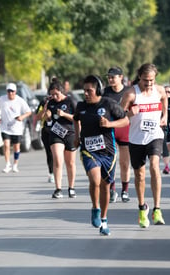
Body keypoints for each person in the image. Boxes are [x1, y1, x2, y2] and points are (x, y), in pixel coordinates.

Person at [73, 75, 129, 236]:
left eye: (89, 90)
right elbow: (76, 120)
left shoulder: (108, 104)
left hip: (108, 152)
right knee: (94, 179)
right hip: (88, 150)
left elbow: (125, 121)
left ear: (97, 89)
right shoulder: (81, 106)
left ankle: (104, 220)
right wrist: (77, 136)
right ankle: (95, 208)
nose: (85, 93)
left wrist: (110, 124)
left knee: (105, 186)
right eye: (84, 90)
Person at [120, 63, 167, 228]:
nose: (149, 84)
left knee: (155, 166)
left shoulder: (159, 90)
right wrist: (128, 113)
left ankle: (157, 209)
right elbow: (118, 114)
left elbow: (164, 98)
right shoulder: (131, 94)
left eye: (152, 80)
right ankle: (142, 209)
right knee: (139, 175)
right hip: (136, 138)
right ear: (139, 77)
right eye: (146, 80)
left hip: (155, 135)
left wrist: (165, 115)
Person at [41, 80, 77, 199]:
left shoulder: (70, 100)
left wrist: (64, 115)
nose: (54, 97)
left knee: (70, 162)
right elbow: (47, 119)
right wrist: (47, 115)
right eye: (52, 94)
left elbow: (77, 118)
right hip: (56, 134)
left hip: (70, 133)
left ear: (61, 91)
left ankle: (71, 188)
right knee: (57, 159)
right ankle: (58, 189)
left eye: (56, 94)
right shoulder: (50, 102)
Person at [102, 66, 131, 203]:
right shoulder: (105, 93)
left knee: (124, 162)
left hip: (124, 128)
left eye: (113, 76)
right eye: (109, 77)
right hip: (109, 130)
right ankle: (112, 189)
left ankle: (125, 190)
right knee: (110, 162)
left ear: (121, 77)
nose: (110, 79)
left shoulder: (129, 92)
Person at [0, 83, 32, 173]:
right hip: (5, 127)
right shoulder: (2, 99)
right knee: (6, 145)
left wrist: (21, 117)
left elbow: (28, 112)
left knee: (16, 147)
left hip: (17, 128)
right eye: (8, 91)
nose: (10, 93)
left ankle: (15, 164)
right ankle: (7, 164)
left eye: (12, 91)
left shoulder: (20, 100)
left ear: (15, 92)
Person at [36, 91, 54, 183]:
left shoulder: (62, 101)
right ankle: (51, 173)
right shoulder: (43, 102)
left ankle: (56, 171)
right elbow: (37, 117)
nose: (52, 97)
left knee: (57, 153)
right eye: (50, 95)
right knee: (49, 153)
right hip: (46, 129)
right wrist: (44, 109)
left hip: (58, 130)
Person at [162, 85, 170, 175]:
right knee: (165, 142)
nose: (167, 94)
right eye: (165, 92)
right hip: (165, 129)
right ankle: (166, 166)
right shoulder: (159, 104)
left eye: (169, 92)